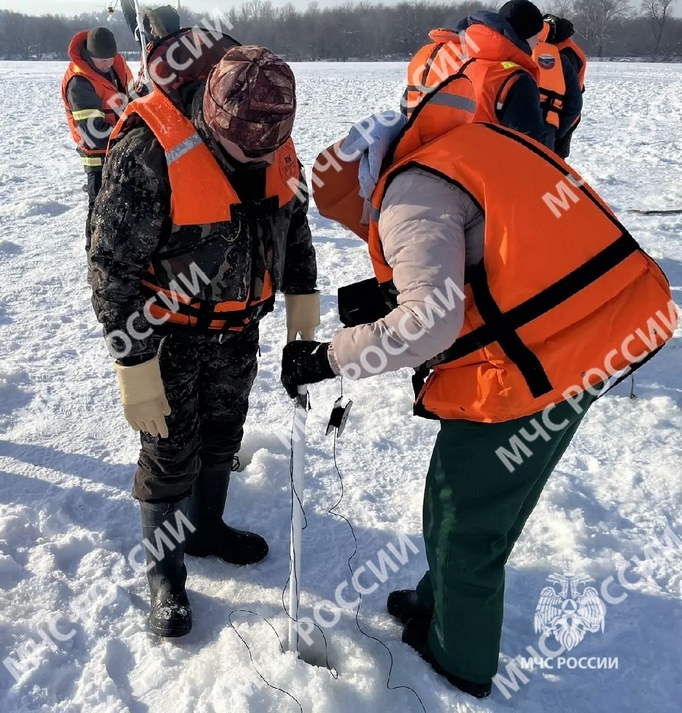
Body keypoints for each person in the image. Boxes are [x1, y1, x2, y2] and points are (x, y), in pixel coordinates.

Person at [281, 76, 673, 696]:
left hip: (540, 364)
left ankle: (459, 655)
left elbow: (427, 324)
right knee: (475, 495)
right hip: (598, 330)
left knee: (466, 515)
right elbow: (501, 253)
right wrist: (386, 294)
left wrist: (328, 359)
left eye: (362, 222)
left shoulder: (408, 192)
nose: (368, 231)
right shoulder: (472, 145)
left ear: (365, 190)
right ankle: (439, 596)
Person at [89, 33, 319, 639]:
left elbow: (293, 225)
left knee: (222, 437)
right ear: (213, 116)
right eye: (241, 150)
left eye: (266, 148)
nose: (255, 159)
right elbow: (111, 267)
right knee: (169, 453)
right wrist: (132, 364)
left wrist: (304, 294)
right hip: (168, 337)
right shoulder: (147, 150)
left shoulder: (272, 138)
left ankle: (208, 528)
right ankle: (165, 573)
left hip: (239, 330)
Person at [402, 1, 551, 146]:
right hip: (474, 166)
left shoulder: (432, 55)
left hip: (416, 161)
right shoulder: (515, 79)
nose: (538, 42)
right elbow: (532, 150)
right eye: (536, 35)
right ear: (525, 35)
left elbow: (407, 107)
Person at [61, 27, 133, 252]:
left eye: (111, 58)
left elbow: (132, 97)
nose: (108, 64)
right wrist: (133, 131)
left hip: (122, 149)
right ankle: (95, 262)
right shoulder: (79, 84)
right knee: (99, 211)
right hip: (97, 158)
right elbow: (94, 134)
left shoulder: (116, 68)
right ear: (89, 56)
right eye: (102, 60)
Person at [532, 18, 582, 157]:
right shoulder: (562, 58)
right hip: (549, 123)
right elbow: (575, 104)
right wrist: (557, 131)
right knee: (545, 170)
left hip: (513, 126)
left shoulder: (512, 54)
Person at [543, 13, 587, 157]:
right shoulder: (555, 49)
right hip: (556, 115)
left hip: (563, 118)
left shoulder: (565, 55)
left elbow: (570, 97)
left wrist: (558, 131)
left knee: (555, 161)